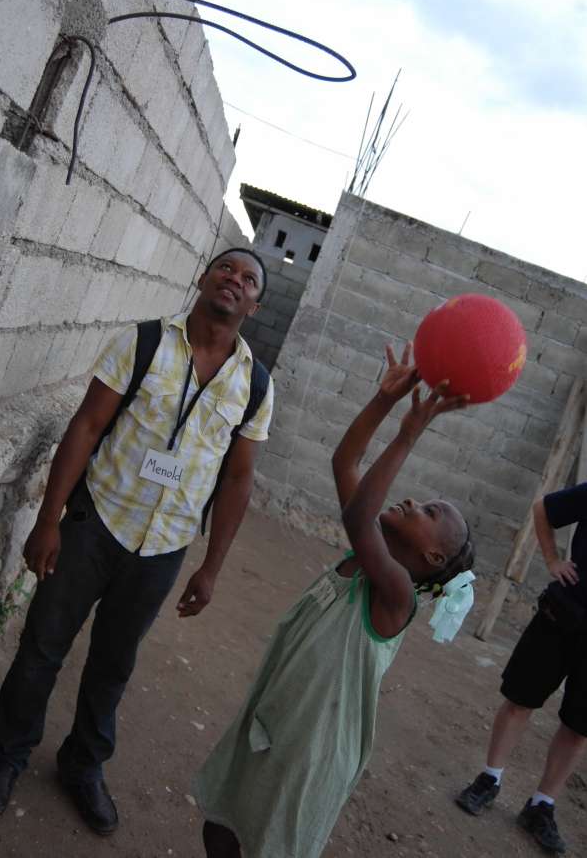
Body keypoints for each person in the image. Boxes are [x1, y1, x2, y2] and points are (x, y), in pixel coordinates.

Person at [0, 248, 275, 835]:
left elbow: (238, 478)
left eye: (249, 280)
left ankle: (82, 765)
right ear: (204, 278)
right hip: (96, 522)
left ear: (256, 304)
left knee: (113, 665)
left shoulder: (255, 387)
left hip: (163, 547)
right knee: (42, 647)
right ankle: (6, 754)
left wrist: (210, 567)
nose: (235, 280)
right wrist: (49, 520)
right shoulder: (142, 343)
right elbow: (86, 425)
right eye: (226, 269)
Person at [194, 344, 475, 858]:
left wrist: (408, 435)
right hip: (274, 719)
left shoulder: (396, 598)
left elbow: (357, 515)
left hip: (310, 752)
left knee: (266, 845)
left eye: (429, 511)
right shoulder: (363, 556)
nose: (413, 500)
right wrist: (384, 401)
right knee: (222, 826)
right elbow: (345, 461)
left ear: (434, 556)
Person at [456, 481, 587, 855]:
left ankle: (541, 805)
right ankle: (489, 778)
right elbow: (543, 508)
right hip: (563, 614)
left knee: (579, 728)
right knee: (519, 700)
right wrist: (552, 561)